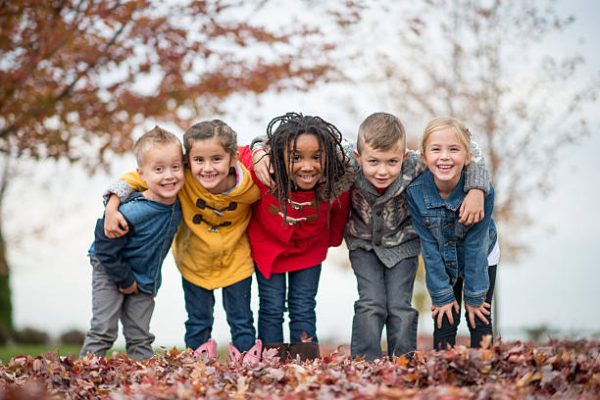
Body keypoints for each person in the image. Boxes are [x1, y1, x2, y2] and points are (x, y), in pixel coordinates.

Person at [103, 120, 262, 365]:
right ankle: (197, 365)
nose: (207, 168)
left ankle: (247, 365)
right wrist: (112, 207)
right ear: (189, 161)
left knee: (241, 320)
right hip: (194, 262)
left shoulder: (250, 187)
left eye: (216, 159)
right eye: (199, 160)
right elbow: (136, 177)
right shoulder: (181, 178)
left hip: (236, 262)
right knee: (198, 320)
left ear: (232, 159)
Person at [344, 112, 490, 360]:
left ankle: (403, 359)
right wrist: (260, 151)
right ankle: (364, 362)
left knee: (400, 307)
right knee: (371, 303)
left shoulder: (415, 163)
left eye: (392, 162)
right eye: (374, 162)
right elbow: (320, 141)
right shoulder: (348, 160)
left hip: (404, 245)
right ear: (359, 158)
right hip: (363, 245)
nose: (382, 171)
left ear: (403, 156)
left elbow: (469, 149)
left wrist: (476, 188)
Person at [243, 112, 355, 361]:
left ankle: (305, 362)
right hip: (268, 247)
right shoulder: (265, 171)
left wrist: (333, 239)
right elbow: (239, 153)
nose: (307, 166)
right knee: (271, 307)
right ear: (281, 157)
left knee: (303, 306)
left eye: (316, 157)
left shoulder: (335, 180)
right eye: (296, 158)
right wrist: (258, 154)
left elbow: (340, 210)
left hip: (309, 249)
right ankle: (273, 362)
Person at [80, 126, 184, 360]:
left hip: (145, 276)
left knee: (140, 335)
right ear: (142, 175)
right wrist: (125, 280)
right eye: (158, 169)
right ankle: (81, 377)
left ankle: (143, 382)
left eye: (175, 167)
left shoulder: (180, 200)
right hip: (110, 269)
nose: (169, 175)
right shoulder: (132, 210)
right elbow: (105, 247)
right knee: (103, 330)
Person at [406, 116, 499, 350]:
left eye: (454, 149)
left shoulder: (482, 192)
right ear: (424, 157)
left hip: (481, 255)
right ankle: (443, 370)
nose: (445, 156)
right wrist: (441, 294)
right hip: (440, 253)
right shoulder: (415, 192)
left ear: (467, 156)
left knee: (479, 316)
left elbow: (476, 244)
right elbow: (428, 247)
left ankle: (483, 369)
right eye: (436, 149)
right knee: (445, 316)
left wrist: (475, 295)